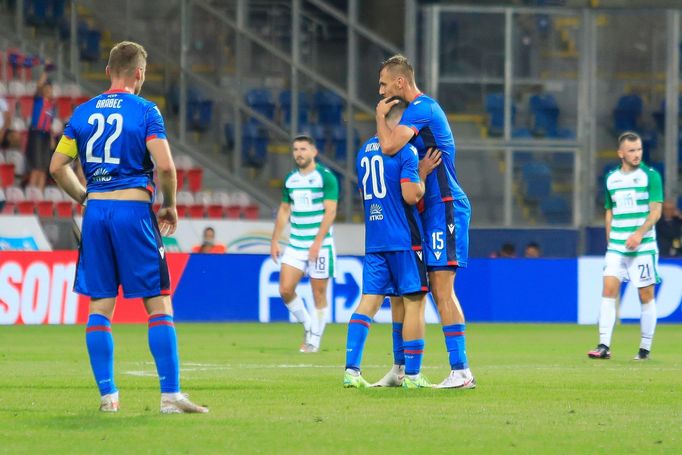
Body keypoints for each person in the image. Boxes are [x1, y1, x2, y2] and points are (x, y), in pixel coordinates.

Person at [49, 41, 208, 413]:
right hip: (133, 214)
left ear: (107, 72)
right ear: (139, 74)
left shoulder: (82, 113)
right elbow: (166, 167)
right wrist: (168, 204)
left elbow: (57, 166)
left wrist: (85, 197)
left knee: (101, 306)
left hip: (96, 216)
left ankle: (108, 397)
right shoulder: (146, 111)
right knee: (158, 303)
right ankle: (170, 396)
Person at [375, 54, 475, 389]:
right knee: (409, 291)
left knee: (442, 289)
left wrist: (380, 117)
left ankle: (461, 370)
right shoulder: (412, 115)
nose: (381, 91)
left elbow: (388, 145)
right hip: (425, 210)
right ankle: (401, 369)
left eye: (384, 84)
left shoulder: (423, 109)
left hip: (445, 207)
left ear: (400, 83)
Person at [343, 98, 440, 389]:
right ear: (399, 124)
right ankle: (412, 375)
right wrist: (421, 173)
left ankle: (352, 371)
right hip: (404, 240)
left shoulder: (363, 151)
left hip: (375, 240)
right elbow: (411, 195)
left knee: (369, 302)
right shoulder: (406, 152)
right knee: (414, 302)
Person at [587, 131, 662, 361]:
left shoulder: (651, 176)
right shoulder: (611, 179)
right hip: (617, 247)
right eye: (631, 150)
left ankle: (644, 348)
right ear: (621, 153)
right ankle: (603, 346)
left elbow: (656, 210)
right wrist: (609, 236)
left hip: (644, 246)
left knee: (645, 295)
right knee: (608, 290)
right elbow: (609, 210)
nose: (637, 154)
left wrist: (639, 234)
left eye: (639, 149)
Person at [270, 135, 338, 353]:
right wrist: (275, 240)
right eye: (296, 149)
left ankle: (314, 340)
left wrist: (317, 243)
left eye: (303, 149)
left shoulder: (325, 178)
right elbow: (284, 210)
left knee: (318, 294)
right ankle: (310, 326)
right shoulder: (291, 179)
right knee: (285, 289)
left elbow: (331, 211)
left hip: (321, 245)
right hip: (296, 245)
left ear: (314, 152)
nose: (299, 153)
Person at [26, 65, 56, 190]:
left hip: (45, 136)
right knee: (36, 168)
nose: (49, 90)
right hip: (36, 134)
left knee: (43, 168)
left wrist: (52, 139)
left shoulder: (52, 105)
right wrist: (45, 71)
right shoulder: (38, 99)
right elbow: (38, 86)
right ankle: (32, 195)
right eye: (47, 88)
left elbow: (49, 124)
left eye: (50, 88)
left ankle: (39, 197)